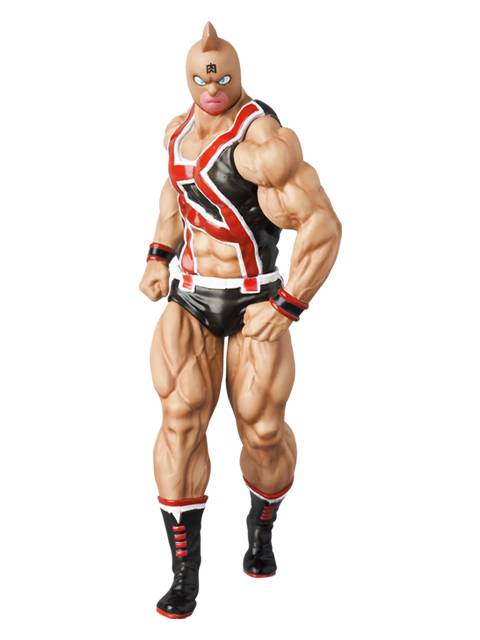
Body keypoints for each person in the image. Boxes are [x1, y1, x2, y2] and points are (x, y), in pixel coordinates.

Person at [139, 22, 341, 619]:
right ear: (188, 79)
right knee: (179, 422)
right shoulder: (176, 132)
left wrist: (289, 304)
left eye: (222, 77)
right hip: (192, 296)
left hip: (256, 300)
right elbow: (175, 196)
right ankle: (185, 573)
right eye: (202, 78)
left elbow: (322, 224)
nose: (212, 88)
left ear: (237, 76)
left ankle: (262, 529)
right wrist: (157, 255)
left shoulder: (263, 144)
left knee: (262, 430)